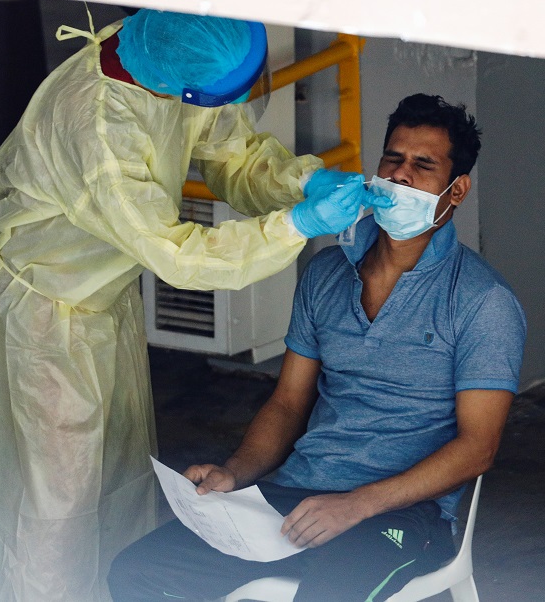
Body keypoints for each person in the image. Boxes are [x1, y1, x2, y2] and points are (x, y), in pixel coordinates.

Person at [0, 8, 387, 601]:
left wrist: (301, 182)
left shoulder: (169, 52)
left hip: (101, 300)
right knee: (55, 507)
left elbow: (233, 151)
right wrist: (295, 226)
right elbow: (180, 256)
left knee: (118, 481)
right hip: (47, 315)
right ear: (182, 85)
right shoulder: (99, 132)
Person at [107, 93, 527, 601]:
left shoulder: (482, 300)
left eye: (423, 165)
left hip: (400, 513)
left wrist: (357, 504)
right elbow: (287, 403)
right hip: (296, 492)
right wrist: (233, 473)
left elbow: (476, 448)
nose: (399, 176)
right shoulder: (326, 273)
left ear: (456, 190)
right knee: (137, 573)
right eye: (392, 158)